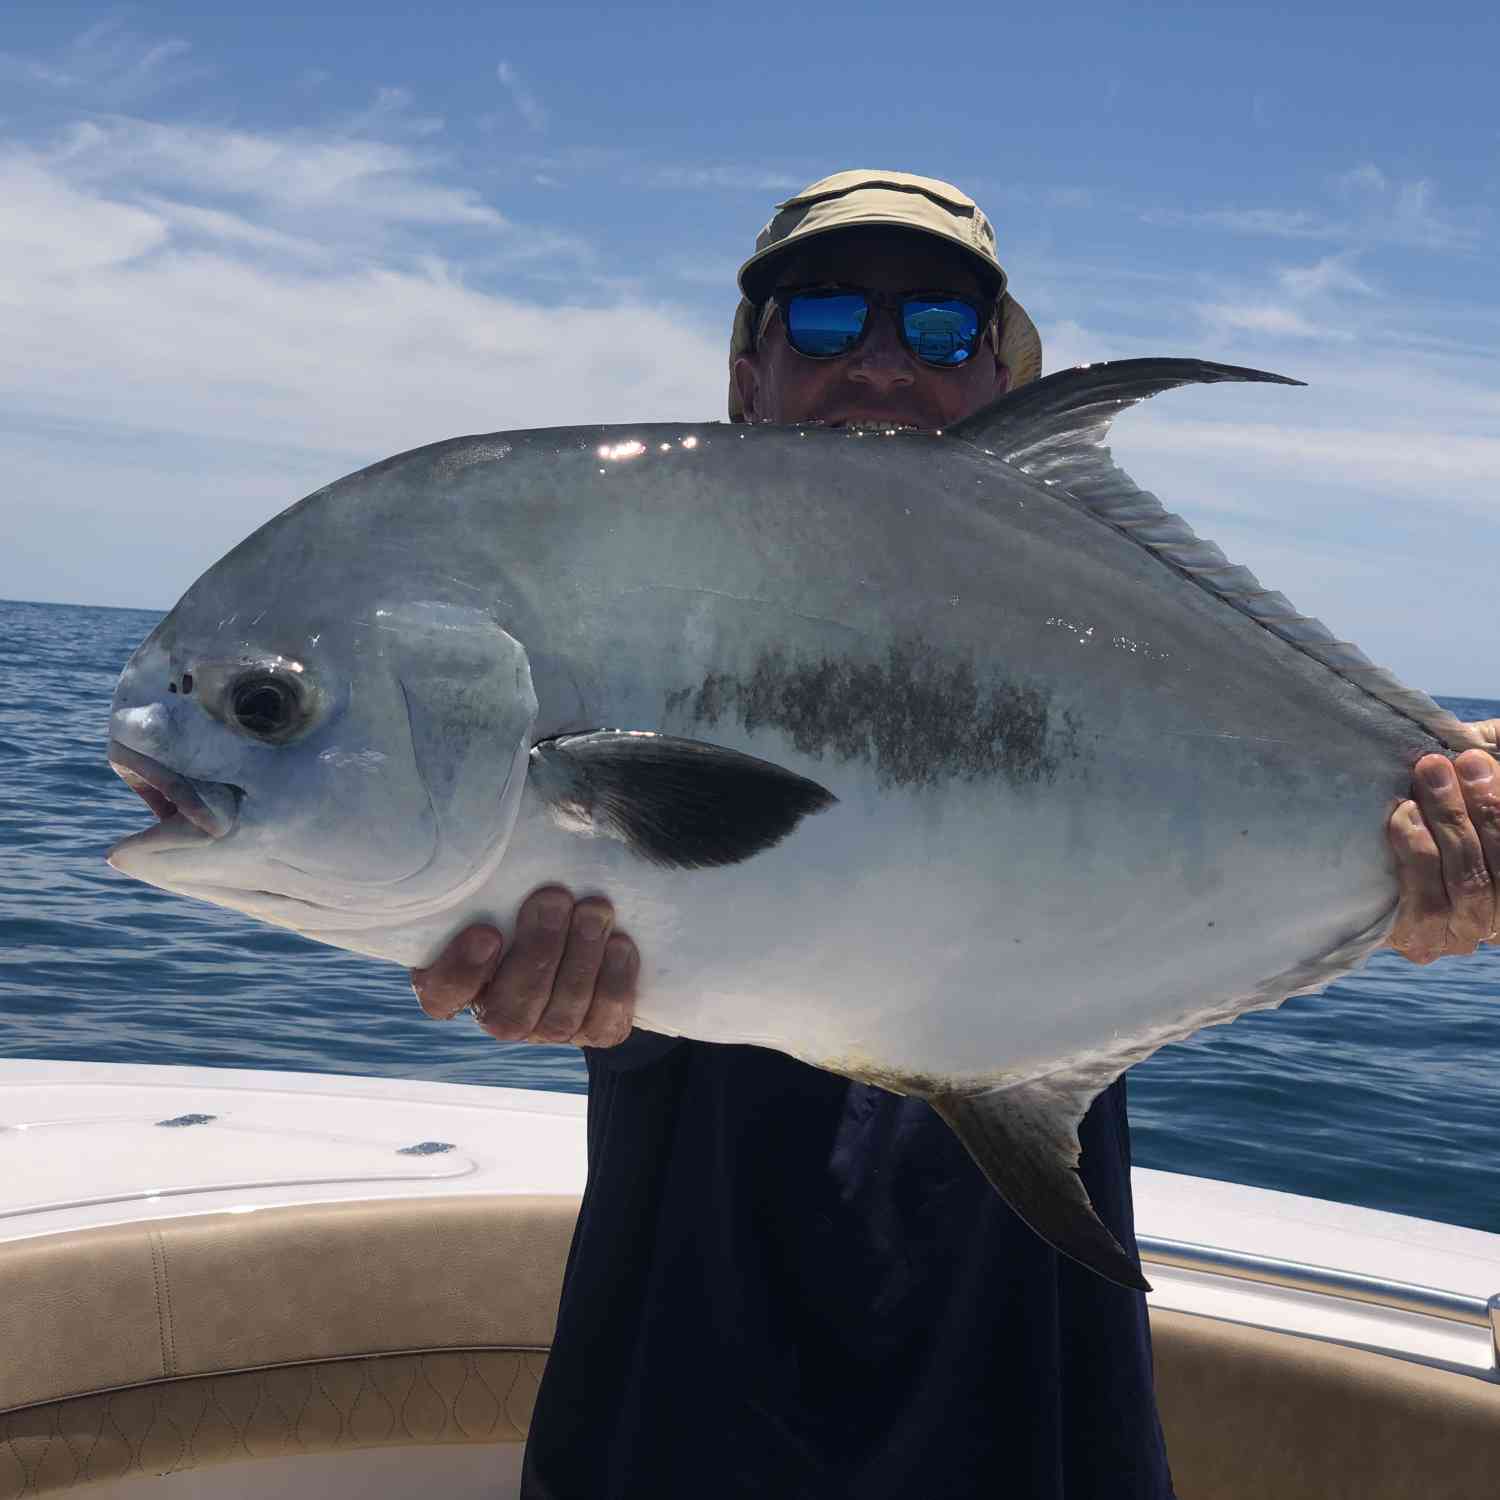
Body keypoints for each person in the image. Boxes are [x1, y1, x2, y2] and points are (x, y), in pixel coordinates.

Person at [412, 171, 1500, 1498]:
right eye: (820, 320)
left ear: (995, 381)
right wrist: (500, 952)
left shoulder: (1110, 634)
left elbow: (1355, 777)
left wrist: (1448, 843)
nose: (877, 362)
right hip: (676, 1420)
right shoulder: (626, 614)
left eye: (936, 327)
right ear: (748, 376)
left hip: (1037, 1426)